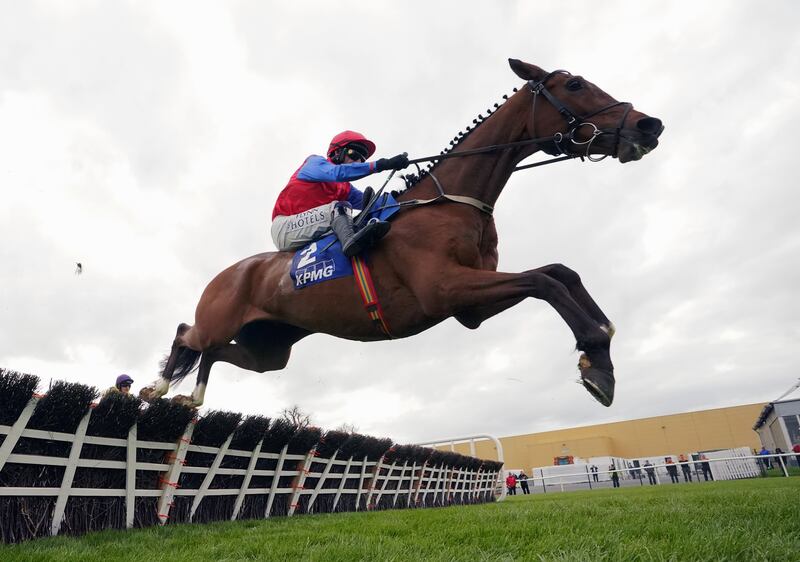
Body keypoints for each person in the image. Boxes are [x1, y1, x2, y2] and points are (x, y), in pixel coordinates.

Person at [271, 130, 409, 257]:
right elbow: (339, 173)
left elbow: (372, 204)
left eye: (362, 159)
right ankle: (352, 244)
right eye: (354, 154)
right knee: (341, 207)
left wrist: (399, 198)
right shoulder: (314, 163)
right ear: (337, 153)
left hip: (312, 230)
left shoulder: (344, 188)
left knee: (360, 217)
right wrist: (382, 164)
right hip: (285, 228)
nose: (358, 162)